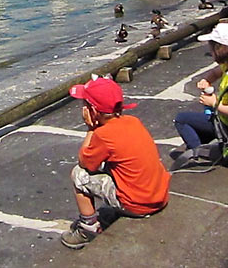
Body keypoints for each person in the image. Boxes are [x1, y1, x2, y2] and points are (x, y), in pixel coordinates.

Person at [62, 76, 170, 249]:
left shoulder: (103, 134)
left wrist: (91, 128)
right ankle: (116, 209)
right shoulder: (133, 122)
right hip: (159, 196)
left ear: (93, 110)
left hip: (138, 205)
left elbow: (85, 163)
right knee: (112, 164)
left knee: (78, 175)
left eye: (84, 105)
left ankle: (87, 228)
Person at [173, 23, 228, 150]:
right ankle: (204, 141)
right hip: (223, 119)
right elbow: (216, 72)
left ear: (220, 49)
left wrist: (213, 103)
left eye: (212, 48)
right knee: (199, 120)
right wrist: (206, 80)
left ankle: (197, 151)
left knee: (181, 119)